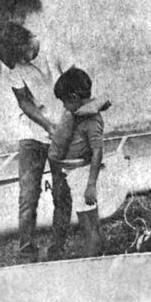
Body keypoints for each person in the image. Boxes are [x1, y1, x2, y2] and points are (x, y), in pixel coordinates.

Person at [0, 21, 72, 262]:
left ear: (26, 42)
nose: (21, 64)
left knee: (62, 192)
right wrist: (46, 125)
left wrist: (64, 126)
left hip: (64, 130)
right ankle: (26, 250)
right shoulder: (13, 63)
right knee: (28, 196)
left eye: (22, 57)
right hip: (32, 133)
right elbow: (24, 101)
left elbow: (76, 87)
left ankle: (58, 247)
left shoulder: (54, 47)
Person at [49, 67, 109, 257]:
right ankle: (100, 260)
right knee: (92, 224)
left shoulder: (91, 120)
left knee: (89, 227)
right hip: (77, 176)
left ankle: (92, 266)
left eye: (65, 102)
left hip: (82, 177)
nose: (65, 108)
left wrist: (90, 185)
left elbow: (97, 151)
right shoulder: (80, 116)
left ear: (74, 97)